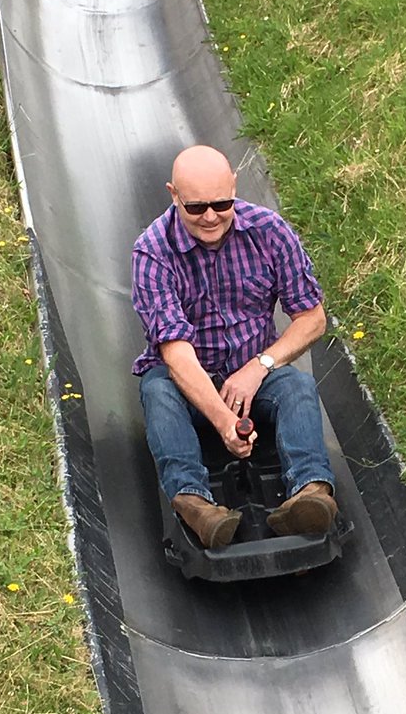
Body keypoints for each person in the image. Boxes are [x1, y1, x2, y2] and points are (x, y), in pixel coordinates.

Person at [131, 145, 337, 549]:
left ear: (234, 188)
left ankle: (311, 492)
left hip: (253, 373)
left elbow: (312, 318)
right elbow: (175, 352)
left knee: (296, 386)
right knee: (157, 389)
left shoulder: (269, 232)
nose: (210, 216)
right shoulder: (152, 252)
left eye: (221, 203)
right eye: (196, 207)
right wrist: (224, 422)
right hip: (189, 381)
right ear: (174, 195)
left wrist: (259, 366)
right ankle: (194, 501)